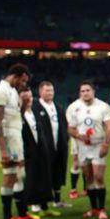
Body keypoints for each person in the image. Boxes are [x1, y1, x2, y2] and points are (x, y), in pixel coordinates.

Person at [0, 63, 33, 219]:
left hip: (15, 136)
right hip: (8, 138)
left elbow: (16, 117)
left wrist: (24, 105)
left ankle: (22, 215)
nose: (24, 84)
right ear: (15, 76)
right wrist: (3, 149)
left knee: (19, 175)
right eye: (23, 80)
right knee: (10, 176)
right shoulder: (1, 91)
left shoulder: (13, 91)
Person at [67, 81, 110, 219]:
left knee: (98, 176)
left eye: (87, 90)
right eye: (82, 91)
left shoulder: (103, 106)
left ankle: (102, 209)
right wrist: (78, 135)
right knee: (88, 178)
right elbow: (70, 128)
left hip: (98, 144)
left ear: (93, 91)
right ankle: (93, 208)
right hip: (83, 146)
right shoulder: (74, 107)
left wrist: (106, 145)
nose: (85, 93)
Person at [34, 81, 70, 210]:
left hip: (58, 147)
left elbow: (64, 126)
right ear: (40, 92)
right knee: (41, 175)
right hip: (41, 149)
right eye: (47, 90)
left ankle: (57, 200)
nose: (50, 93)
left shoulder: (58, 107)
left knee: (58, 173)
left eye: (51, 90)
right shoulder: (35, 108)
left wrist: (65, 140)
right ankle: (38, 202)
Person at [20, 88, 55, 216]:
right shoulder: (19, 115)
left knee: (44, 177)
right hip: (28, 153)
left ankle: (44, 206)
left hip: (41, 151)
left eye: (30, 96)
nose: (29, 100)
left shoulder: (35, 112)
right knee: (31, 179)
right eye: (25, 97)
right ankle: (33, 207)